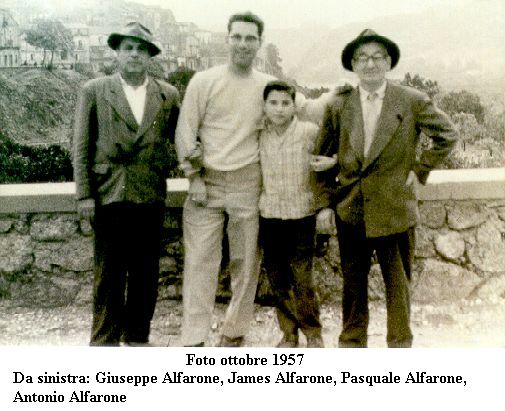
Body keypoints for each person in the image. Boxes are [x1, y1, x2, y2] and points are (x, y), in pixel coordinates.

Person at [315, 29, 458, 348]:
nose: (370, 64)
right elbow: (321, 157)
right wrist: (325, 203)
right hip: (351, 209)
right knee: (353, 286)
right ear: (353, 64)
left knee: (398, 287)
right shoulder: (340, 104)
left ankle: (399, 347)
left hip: (395, 209)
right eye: (362, 58)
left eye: (377, 57)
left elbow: (447, 135)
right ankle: (352, 344)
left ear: (389, 62)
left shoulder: (411, 100)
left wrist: (420, 169)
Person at [73, 22, 180, 346]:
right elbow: (81, 147)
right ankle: (104, 341)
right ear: (117, 53)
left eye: (141, 49)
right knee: (108, 273)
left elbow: (181, 140)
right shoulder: (95, 90)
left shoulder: (168, 94)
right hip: (109, 193)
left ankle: (137, 337)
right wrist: (84, 195)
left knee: (146, 272)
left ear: (150, 56)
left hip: (149, 193)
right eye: (128, 48)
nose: (134, 54)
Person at [259, 80, 332, 348]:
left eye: (285, 103)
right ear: (264, 106)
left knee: (302, 277)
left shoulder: (309, 132)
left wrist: (324, 204)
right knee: (277, 277)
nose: (279, 109)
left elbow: (327, 163)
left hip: (302, 214)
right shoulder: (260, 135)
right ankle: (289, 332)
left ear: (294, 106)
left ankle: (312, 331)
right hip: (270, 215)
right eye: (273, 103)